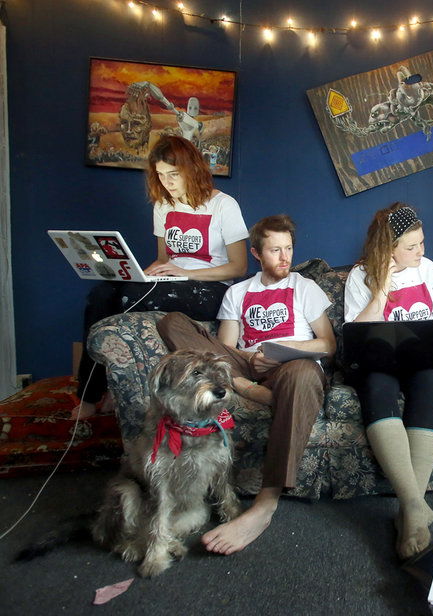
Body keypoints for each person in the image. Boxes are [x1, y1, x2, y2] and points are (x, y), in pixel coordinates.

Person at [157, 214, 336, 554]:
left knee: (303, 373)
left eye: (288, 249)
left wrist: (287, 348)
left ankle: (264, 506)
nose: (284, 258)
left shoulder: (304, 287)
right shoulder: (238, 292)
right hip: (247, 367)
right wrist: (248, 361)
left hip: (292, 366)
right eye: (274, 250)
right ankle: (248, 388)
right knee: (173, 322)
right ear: (256, 253)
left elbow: (327, 345)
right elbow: (223, 352)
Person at [73, 135, 248, 419]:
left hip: (210, 288)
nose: (167, 182)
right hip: (171, 283)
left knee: (129, 296)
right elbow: (164, 259)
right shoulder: (163, 206)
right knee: (100, 295)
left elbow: (238, 267)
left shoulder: (223, 206)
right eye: (161, 175)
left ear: (192, 168)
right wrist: (145, 273)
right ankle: (90, 395)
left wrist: (187, 272)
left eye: (174, 174)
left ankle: (115, 394)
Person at [344, 203, 433, 559]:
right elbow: (356, 335)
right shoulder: (360, 275)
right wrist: (381, 290)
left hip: (422, 361)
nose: (421, 252)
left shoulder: (432, 271)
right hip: (379, 362)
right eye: (412, 247)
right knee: (376, 385)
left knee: (429, 382)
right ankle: (415, 507)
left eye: (422, 243)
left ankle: (410, 510)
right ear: (388, 249)